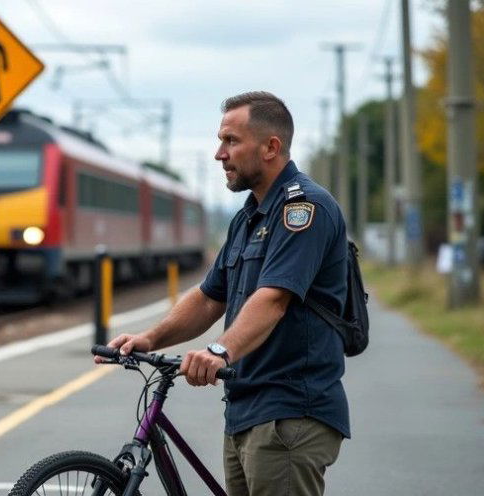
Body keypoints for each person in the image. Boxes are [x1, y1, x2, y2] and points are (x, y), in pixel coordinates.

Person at [102, 91, 348, 496]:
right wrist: (150, 338)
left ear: (271, 147)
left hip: (290, 410)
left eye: (231, 141)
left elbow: (274, 298)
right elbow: (208, 297)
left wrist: (219, 351)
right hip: (246, 408)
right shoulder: (247, 218)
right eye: (220, 141)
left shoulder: (304, 209)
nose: (220, 153)